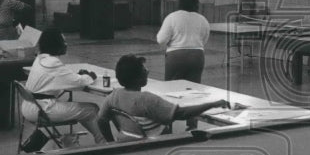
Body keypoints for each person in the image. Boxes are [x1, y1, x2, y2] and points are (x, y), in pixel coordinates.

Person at [97, 54, 230, 142]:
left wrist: (111, 143)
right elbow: (182, 114)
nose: (148, 71)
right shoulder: (146, 99)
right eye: (144, 70)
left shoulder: (113, 96)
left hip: (125, 142)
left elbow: (101, 120)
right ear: (137, 77)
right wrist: (213, 104)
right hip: (154, 147)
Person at [20, 27, 106, 150]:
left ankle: (73, 141)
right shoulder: (53, 63)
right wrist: (90, 76)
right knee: (92, 109)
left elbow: (58, 79)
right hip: (42, 110)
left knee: (82, 110)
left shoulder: (40, 59)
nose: (66, 44)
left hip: (29, 106)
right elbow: (79, 83)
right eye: (63, 41)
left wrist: (76, 76)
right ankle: (102, 143)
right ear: (55, 44)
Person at [157, 0, 211, 83]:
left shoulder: (172, 17)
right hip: (197, 56)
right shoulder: (202, 19)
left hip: (176, 56)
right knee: (194, 89)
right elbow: (205, 39)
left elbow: (161, 40)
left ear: (179, 3)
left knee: (172, 88)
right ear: (196, 3)